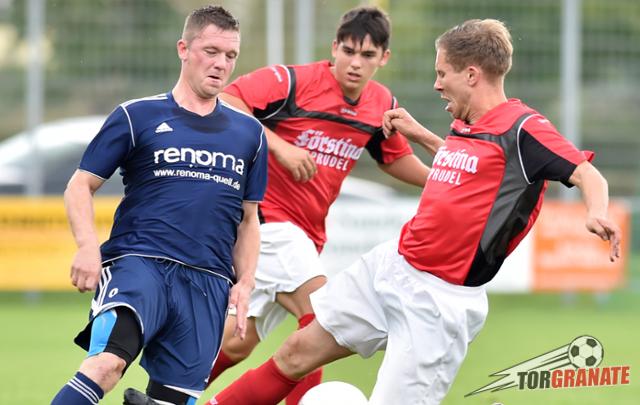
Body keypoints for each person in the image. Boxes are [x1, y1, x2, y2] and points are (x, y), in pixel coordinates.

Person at [206, 18, 621, 405]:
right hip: (392, 266)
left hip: (441, 301)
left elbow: (586, 173)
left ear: (471, 75)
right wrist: (420, 134)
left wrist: (596, 211)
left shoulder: (523, 129)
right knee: (296, 352)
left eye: (442, 73)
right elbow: (461, 168)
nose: (436, 84)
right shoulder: (465, 123)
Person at [205, 6, 429, 404]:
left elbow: (394, 158)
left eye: (367, 55)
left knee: (238, 342)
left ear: (384, 58)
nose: (355, 63)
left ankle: (166, 395)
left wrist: (443, 182)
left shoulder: (380, 103)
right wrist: (280, 146)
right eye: (348, 51)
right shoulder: (293, 81)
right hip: (267, 220)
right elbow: (227, 99)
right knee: (322, 316)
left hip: (306, 234)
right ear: (334, 48)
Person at [51, 5, 268, 405]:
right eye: (211, 51)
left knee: (173, 401)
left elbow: (249, 219)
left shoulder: (250, 134)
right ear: (184, 49)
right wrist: (86, 246)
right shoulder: (137, 116)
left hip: (208, 282)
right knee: (105, 366)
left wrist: (245, 282)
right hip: (141, 264)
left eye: (230, 55)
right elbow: (80, 185)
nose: (221, 64)